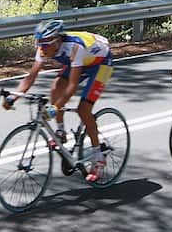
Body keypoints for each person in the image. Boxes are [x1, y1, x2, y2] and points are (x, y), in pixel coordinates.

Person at [10, 18, 115, 182]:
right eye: (39, 44)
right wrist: (13, 97)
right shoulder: (45, 48)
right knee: (55, 87)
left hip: (102, 64)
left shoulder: (75, 47)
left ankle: (98, 156)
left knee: (84, 109)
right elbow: (31, 77)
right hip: (81, 62)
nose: (41, 49)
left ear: (57, 41)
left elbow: (72, 87)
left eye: (45, 45)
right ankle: (60, 132)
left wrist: (55, 107)